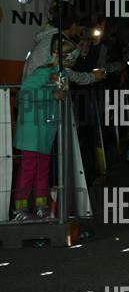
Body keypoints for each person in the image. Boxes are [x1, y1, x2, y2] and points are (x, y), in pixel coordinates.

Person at [12, 38, 78, 221]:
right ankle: (20, 208)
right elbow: (25, 92)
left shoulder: (60, 74)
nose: (72, 60)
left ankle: (41, 205)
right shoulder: (43, 72)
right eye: (69, 56)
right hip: (32, 131)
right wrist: (51, 94)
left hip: (46, 130)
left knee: (43, 169)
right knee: (28, 169)